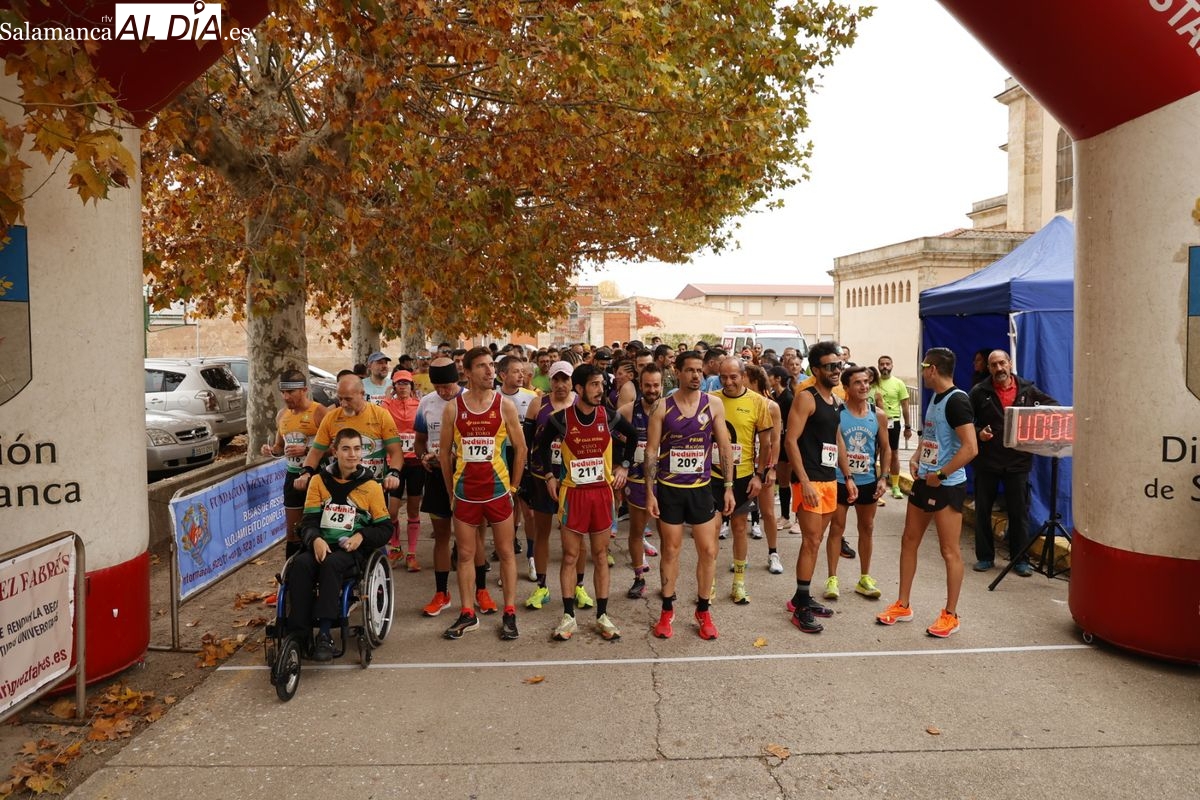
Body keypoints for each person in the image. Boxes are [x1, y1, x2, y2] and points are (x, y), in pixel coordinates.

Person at [877, 347, 978, 638]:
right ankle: (903, 604)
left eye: (923, 368)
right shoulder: (936, 397)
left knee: (949, 551)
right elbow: (931, 433)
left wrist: (941, 474)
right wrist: (918, 455)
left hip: (946, 485)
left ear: (932, 368)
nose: (922, 373)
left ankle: (951, 614)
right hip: (925, 479)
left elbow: (971, 448)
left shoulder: (958, 401)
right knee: (909, 540)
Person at [539, 364, 638, 641]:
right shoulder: (561, 419)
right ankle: (568, 617)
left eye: (601, 385)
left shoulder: (608, 416)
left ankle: (602, 616)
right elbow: (542, 446)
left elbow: (631, 437)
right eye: (594, 385)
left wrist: (625, 466)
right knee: (571, 556)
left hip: (602, 494)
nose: (600, 390)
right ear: (579, 389)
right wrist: (549, 475)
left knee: (600, 555)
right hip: (573, 494)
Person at [644, 351, 735, 640]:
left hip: (701, 489)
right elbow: (651, 452)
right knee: (670, 551)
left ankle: (704, 610)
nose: (697, 375)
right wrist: (650, 492)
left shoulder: (714, 404)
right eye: (690, 370)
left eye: (700, 370)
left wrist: (730, 487)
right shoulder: (661, 407)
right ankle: (667, 610)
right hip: (670, 490)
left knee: (708, 551)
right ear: (678, 372)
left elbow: (724, 447)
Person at [438, 347, 527, 641]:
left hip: (498, 492)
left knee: (505, 553)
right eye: (482, 366)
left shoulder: (504, 406)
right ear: (467, 372)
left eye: (492, 365)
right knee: (464, 554)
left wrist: (513, 488)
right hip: (466, 494)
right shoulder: (454, 407)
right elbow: (443, 453)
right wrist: (451, 491)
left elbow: (521, 448)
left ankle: (510, 612)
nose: (490, 371)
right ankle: (467, 613)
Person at [289, 428, 391, 661]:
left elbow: (385, 528)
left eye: (357, 449)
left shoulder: (372, 486)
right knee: (300, 565)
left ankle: (325, 633)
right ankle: (298, 632)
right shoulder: (318, 481)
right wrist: (315, 539)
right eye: (346, 449)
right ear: (335, 451)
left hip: (350, 550)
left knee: (332, 564)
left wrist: (362, 536)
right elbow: (308, 521)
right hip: (321, 544)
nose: (352, 454)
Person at [967, 349, 1058, 576]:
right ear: (988, 369)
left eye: (1002, 363)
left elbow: (1053, 409)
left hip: (1018, 462)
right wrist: (978, 433)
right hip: (987, 462)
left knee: (1019, 513)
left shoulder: (1028, 390)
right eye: (994, 365)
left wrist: (1035, 431)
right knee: (983, 512)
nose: (999, 368)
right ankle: (985, 557)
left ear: (1009, 363)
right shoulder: (979, 392)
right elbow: (965, 422)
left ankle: (1020, 559)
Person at [783, 341, 846, 633]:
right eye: (831, 366)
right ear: (816, 369)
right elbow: (790, 440)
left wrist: (849, 476)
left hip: (830, 479)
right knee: (810, 541)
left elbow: (836, 438)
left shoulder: (834, 400)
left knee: (817, 541)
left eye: (839, 365)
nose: (837, 370)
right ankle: (802, 606)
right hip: (809, 481)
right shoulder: (806, 398)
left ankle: (800, 597)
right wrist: (804, 481)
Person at [712, 356, 775, 606]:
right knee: (713, 531)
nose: (728, 382)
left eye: (733, 377)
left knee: (739, 528)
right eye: (723, 377)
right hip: (714, 476)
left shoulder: (758, 402)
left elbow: (767, 444)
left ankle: (739, 583)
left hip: (744, 476)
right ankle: (710, 583)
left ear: (743, 376)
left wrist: (760, 475)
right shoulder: (712, 399)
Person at [827, 366, 891, 601]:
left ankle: (865, 577)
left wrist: (884, 477)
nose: (864, 386)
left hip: (868, 480)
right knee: (837, 528)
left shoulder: (878, 414)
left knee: (867, 528)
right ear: (846, 388)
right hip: (841, 479)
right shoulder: (838, 413)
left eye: (866, 382)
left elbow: (885, 448)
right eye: (857, 383)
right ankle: (832, 579)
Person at [522, 361, 577, 609]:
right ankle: (542, 587)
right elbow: (527, 442)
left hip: (573, 479)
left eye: (565, 379)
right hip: (542, 477)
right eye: (556, 379)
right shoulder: (538, 404)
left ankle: (579, 587)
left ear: (572, 382)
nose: (560, 385)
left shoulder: (580, 404)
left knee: (576, 536)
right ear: (550, 381)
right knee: (542, 532)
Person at [412, 358, 464, 617]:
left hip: (467, 476)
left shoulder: (471, 400)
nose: (444, 391)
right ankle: (442, 593)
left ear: (458, 379)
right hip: (435, 475)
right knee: (442, 536)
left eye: (448, 385)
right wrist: (422, 457)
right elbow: (419, 441)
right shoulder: (426, 403)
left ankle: (479, 590)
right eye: (438, 386)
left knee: (471, 539)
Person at [294, 374, 402, 497]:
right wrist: (306, 472)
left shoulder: (381, 415)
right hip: (341, 486)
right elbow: (316, 452)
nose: (343, 404)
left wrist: (393, 473)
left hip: (373, 486)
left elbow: (396, 452)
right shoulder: (331, 417)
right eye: (340, 399)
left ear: (362, 394)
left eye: (348, 399)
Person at [261, 370, 328, 558]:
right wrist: (270, 450)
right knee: (293, 531)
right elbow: (279, 446)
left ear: (304, 390)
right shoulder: (282, 414)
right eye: (283, 392)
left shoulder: (319, 411)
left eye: (291, 392)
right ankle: (291, 574)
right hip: (292, 475)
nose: (286, 397)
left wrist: (306, 451)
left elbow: (335, 447)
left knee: (319, 525)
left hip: (317, 475)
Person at [618, 363, 663, 599]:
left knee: (667, 533)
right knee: (636, 531)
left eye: (656, 385)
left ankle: (667, 581)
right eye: (647, 385)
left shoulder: (670, 410)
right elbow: (612, 440)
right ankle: (638, 578)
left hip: (664, 481)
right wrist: (621, 465)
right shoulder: (627, 411)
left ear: (662, 386)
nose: (652, 389)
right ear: (640, 386)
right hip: (636, 480)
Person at [381, 369, 424, 570]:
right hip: (395, 462)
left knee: (414, 509)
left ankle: (412, 553)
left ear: (412, 385)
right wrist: (388, 397)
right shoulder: (388, 405)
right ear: (394, 386)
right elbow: (381, 416)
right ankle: (396, 547)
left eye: (406, 383)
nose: (403, 387)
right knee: (392, 511)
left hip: (415, 462)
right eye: (399, 383)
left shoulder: (419, 404)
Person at [745, 364, 784, 575]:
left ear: (753, 380)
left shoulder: (771, 406)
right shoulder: (738, 403)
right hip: (743, 465)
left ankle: (773, 553)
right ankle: (741, 555)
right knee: (740, 515)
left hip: (765, 465)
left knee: (768, 512)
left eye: (742, 377)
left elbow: (776, 440)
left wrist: (773, 468)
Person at [875, 356, 913, 500]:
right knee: (875, 453)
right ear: (878, 366)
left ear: (892, 365)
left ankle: (895, 486)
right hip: (876, 422)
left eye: (887, 364)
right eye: (882, 364)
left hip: (893, 422)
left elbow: (905, 405)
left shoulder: (899, 383)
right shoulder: (873, 383)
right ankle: (875, 485)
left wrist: (908, 426)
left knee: (894, 454)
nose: (885, 366)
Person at [768, 365, 797, 541]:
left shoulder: (789, 398)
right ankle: (785, 516)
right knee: (784, 482)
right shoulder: (774, 396)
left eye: (770, 376)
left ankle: (796, 519)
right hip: (778, 443)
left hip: (788, 444)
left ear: (778, 378)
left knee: (795, 482)